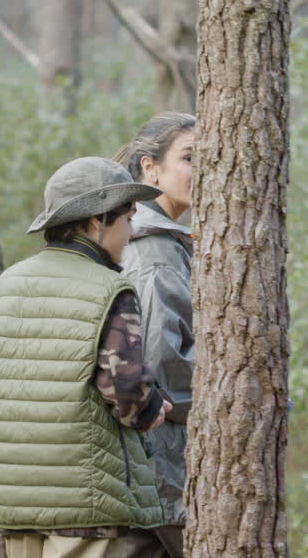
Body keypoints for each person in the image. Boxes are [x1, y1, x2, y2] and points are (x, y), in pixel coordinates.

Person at [0, 156, 174, 558]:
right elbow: (126, 389)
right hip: (85, 500)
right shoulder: (109, 288)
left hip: (15, 503)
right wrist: (153, 411)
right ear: (98, 221)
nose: (131, 235)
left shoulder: (7, 283)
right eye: (127, 220)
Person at [114, 113, 196, 558]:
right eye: (189, 157)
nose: (203, 169)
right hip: (162, 460)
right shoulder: (154, 251)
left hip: (156, 461)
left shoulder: (160, 239)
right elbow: (161, 366)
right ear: (150, 168)